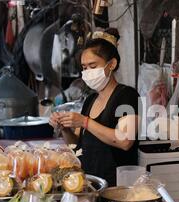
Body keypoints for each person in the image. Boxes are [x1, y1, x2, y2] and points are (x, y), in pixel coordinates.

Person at [49, 28, 140, 186]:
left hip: (117, 186)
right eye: (84, 68)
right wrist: (64, 127)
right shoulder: (90, 100)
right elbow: (76, 144)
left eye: (93, 66)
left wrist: (85, 122)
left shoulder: (128, 96)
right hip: (91, 182)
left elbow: (125, 141)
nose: (87, 72)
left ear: (112, 64)